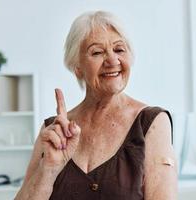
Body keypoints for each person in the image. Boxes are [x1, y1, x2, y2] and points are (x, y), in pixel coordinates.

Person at [15, 10, 177, 200]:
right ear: (77, 67)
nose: (112, 60)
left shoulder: (152, 123)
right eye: (97, 52)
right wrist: (48, 169)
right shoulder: (55, 131)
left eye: (119, 49)